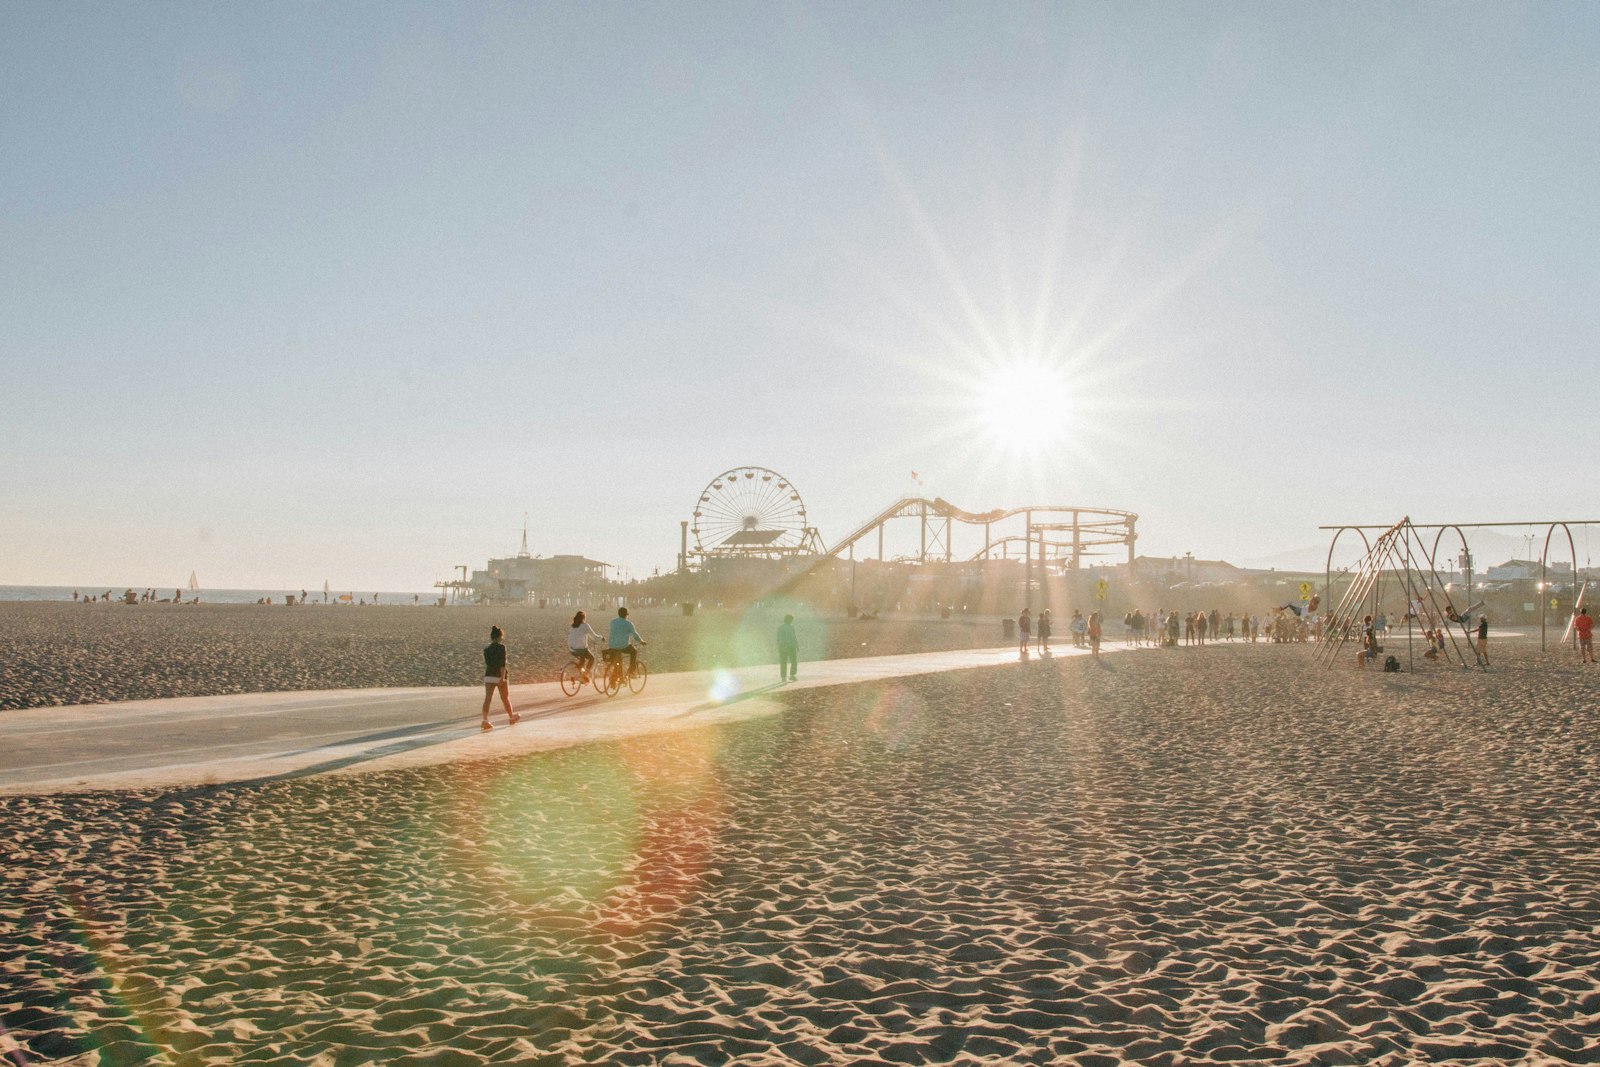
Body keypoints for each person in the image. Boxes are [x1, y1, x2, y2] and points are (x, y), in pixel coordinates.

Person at [481, 625, 518, 730]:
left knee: (487, 699)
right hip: (499, 675)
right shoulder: (502, 648)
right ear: (500, 636)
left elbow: (489, 663)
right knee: (505, 698)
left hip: (488, 675)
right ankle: (511, 717)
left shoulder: (486, 649)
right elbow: (502, 664)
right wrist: (502, 677)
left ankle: (485, 720)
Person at [607, 606, 647, 677]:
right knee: (634, 651)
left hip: (611, 645)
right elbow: (635, 635)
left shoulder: (612, 622)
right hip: (623, 646)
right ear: (626, 615)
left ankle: (619, 676)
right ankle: (632, 671)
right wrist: (641, 641)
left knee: (618, 659)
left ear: (618, 614)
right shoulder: (628, 624)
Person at [568, 610, 600, 678]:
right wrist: (601, 638)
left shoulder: (572, 626)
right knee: (592, 659)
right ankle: (585, 675)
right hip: (581, 649)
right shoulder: (585, 625)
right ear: (584, 618)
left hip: (571, 649)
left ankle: (580, 673)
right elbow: (594, 636)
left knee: (582, 659)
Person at [777, 613, 799, 682]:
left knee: (794, 661)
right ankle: (783, 677)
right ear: (786, 619)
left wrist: (797, 645)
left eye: (792, 620)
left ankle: (792, 675)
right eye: (790, 619)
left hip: (792, 646)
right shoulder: (781, 627)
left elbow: (794, 637)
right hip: (784, 647)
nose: (791, 621)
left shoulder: (792, 627)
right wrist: (783, 646)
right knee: (783, 662)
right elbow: (780, 638)